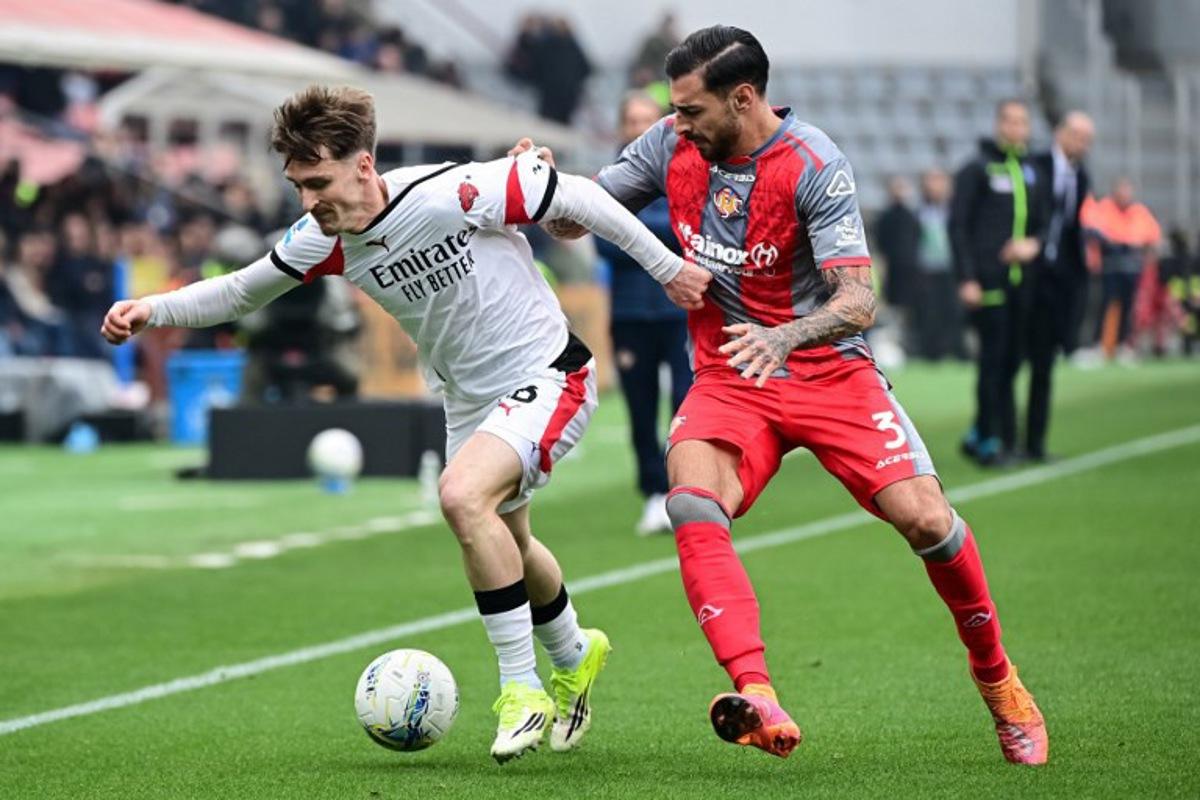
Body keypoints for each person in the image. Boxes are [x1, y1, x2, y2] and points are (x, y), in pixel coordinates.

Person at [100, 84, 710, 764]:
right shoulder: (324, 239)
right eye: (299, 186)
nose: (308, 201)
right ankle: (573, 653)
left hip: (548, 372)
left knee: (461, 497)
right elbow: (242, 290)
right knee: (507, 537)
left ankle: (521, 689)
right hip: (468, 400)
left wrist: (667, 268)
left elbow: (577, 197)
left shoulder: (452, 192)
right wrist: (152, 310)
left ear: (364, 165)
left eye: (319, 182)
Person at [515, 25, 1047, 765]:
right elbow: (575, 219)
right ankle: (757, 694)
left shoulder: (814, 165)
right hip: (731, 375)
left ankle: (997, 679)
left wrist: (785, 336)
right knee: (691, 502)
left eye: (692, 109)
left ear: (743, 98)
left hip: (829, 371)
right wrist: (540, 184)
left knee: (927, 520)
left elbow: (858, 300)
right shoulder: (670, 143)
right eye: (675, 109)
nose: (678, 123)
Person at [599, 92, 692, 535]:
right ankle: (654, 493)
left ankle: (685, 487)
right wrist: (660, 239)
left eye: (647, 120)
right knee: (640, 409)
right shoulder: (610, 180)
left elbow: (690, 232)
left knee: (686, 403)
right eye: (632, 120)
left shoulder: (684, 173)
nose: (639, 128)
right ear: (622, 126)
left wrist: (631, 231)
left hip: (681, 312)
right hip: (630, 313)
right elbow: (603, 243)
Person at [950, 99, 1047, 466]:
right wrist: (967, 278)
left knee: (1013, 362)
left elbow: (1044, 223)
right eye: (1009, 120)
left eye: (1022, 121)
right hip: (988, 283)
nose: (1015, 127)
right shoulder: (977, 169)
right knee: (993, 362)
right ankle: (991, 441)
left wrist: (1033, 244)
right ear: (998, 124)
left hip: (1023, 285)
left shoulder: (1033, 170)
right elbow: (958, 226)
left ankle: (987, 433)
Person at [1025, 112, 1093, 460]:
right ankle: (996, 439)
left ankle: (1034, 443)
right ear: (1061, 133)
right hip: (1026, 276)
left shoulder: (1081, 175)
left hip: (1057, 280)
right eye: (1078, 136)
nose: (1082, 144)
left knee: (1044, 365)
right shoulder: (1034, 166)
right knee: (1008, 363)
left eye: (1087, 139)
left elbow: (1070, 227)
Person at [1079, 177, 1161, 362]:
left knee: (1128, 307)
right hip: (1108, 267)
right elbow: (1092, 229)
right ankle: (1098, 345)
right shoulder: (1104, 208)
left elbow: (1152, 237)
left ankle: (1123, 345)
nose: (1125, 195)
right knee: (1104, 305)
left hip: (1132, 268)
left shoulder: (1139, 211)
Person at [913, 168, 965, 360]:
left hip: (951, 269)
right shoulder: (919, 212)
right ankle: (932, 352)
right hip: (928, 271)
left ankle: (956, 349)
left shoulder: (955, 211)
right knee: (931, 313)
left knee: (954, 311)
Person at [874, 174, 921, 352]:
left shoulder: (911, 216)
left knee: (911, 310)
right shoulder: (886, 217)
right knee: (893, 310)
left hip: (911, 271)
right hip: (893, 272)